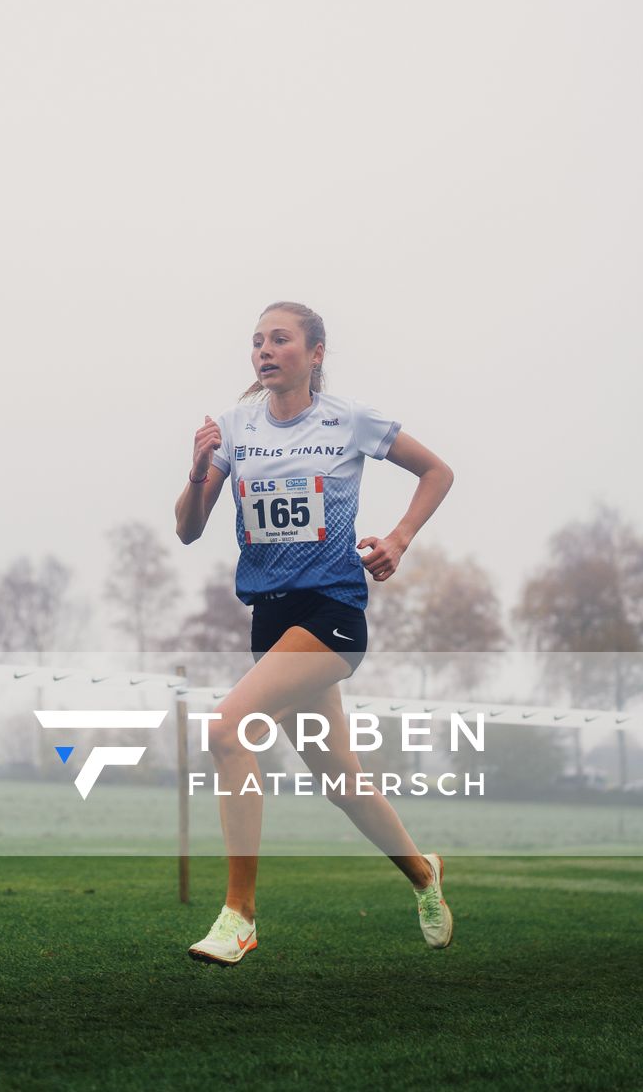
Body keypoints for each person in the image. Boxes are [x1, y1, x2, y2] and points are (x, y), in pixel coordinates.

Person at [173, 300, 456, 965]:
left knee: (224, 728)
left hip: (331, 614)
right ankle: (423, 874)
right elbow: (188, 529)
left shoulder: (348, 420)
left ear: (315, 352)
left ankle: (239, 914)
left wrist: (399, 538)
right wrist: (197, 467)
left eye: (280, 339)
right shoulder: (235, 428)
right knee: (339, 779)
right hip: (269, 620)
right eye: (256, 342)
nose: (265, 351)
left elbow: (437, 472)